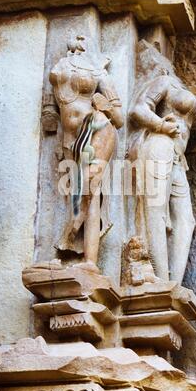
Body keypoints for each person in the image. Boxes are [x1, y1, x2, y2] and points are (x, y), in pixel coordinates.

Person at [128, 43, 196, 284]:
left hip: (178, 156)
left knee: (186, 219)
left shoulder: (176, 83)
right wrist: (161, 125)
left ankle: (174, 283)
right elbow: (138, 109)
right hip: (160, 144)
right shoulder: (163, 82)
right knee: (155, 209)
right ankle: (159, 279)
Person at [50, 35, 123, 272]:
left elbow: (120, 119)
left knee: (90, 191)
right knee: (80, 193)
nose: (80, 39)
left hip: (98, 129)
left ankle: (87, 258)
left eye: (85, 38)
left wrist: (106, 106)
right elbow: (50, 108)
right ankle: (71, 245)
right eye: (77, 38)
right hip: (71, 140)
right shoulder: (59, 67)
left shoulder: (100, 72)